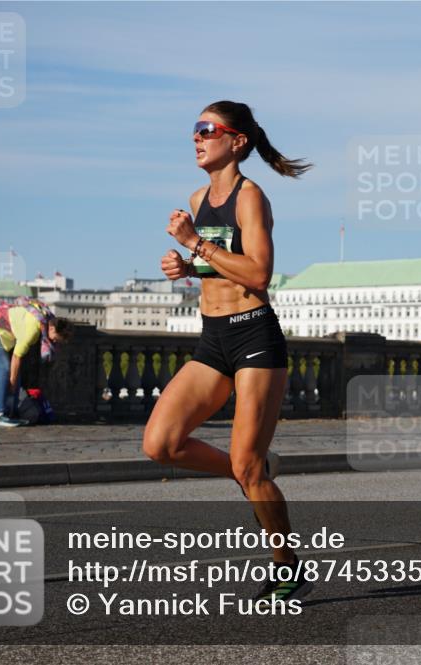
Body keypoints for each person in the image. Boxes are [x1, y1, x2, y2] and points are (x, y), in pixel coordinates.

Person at [142, 101, 313, 605]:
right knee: (161, 444)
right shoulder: (197, 196)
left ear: (237, 141)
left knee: (247, 464)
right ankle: (252, 469)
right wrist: (189, 269)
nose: (196, 138)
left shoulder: (250, 197)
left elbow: (259, 274)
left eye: (207, 130)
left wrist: (195, 243)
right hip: (212, 338)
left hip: (255, 336)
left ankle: (287, 566)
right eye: (194, 130)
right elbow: (221, 266)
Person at [0, 299, 74, 427]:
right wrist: (11, 382)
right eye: (57, 339)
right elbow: (17, 356)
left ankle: (12, 415)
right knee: (4, 369)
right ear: (53, 328)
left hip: (0, 335)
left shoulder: (45, 319)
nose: (55, 342)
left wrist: (14, 380)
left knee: (17, 376)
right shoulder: (33, 330)